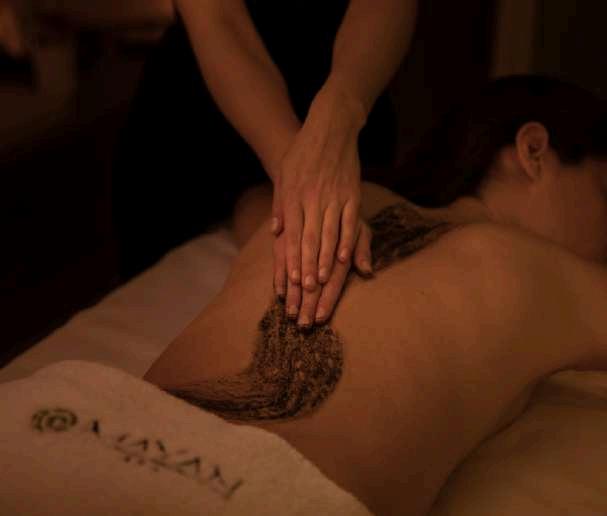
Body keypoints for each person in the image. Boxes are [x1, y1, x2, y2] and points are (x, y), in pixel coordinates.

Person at [143, 75, 607, 515]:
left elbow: (251, 204)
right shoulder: (545, 270)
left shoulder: (334, 202)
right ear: (533, 151)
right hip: (251, 497)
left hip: (118, 429)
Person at [112, 0, 418, 327]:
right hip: (203, 120)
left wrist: (339, 118)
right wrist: (298, 176)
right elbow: (219, 17)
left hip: (352, 94)